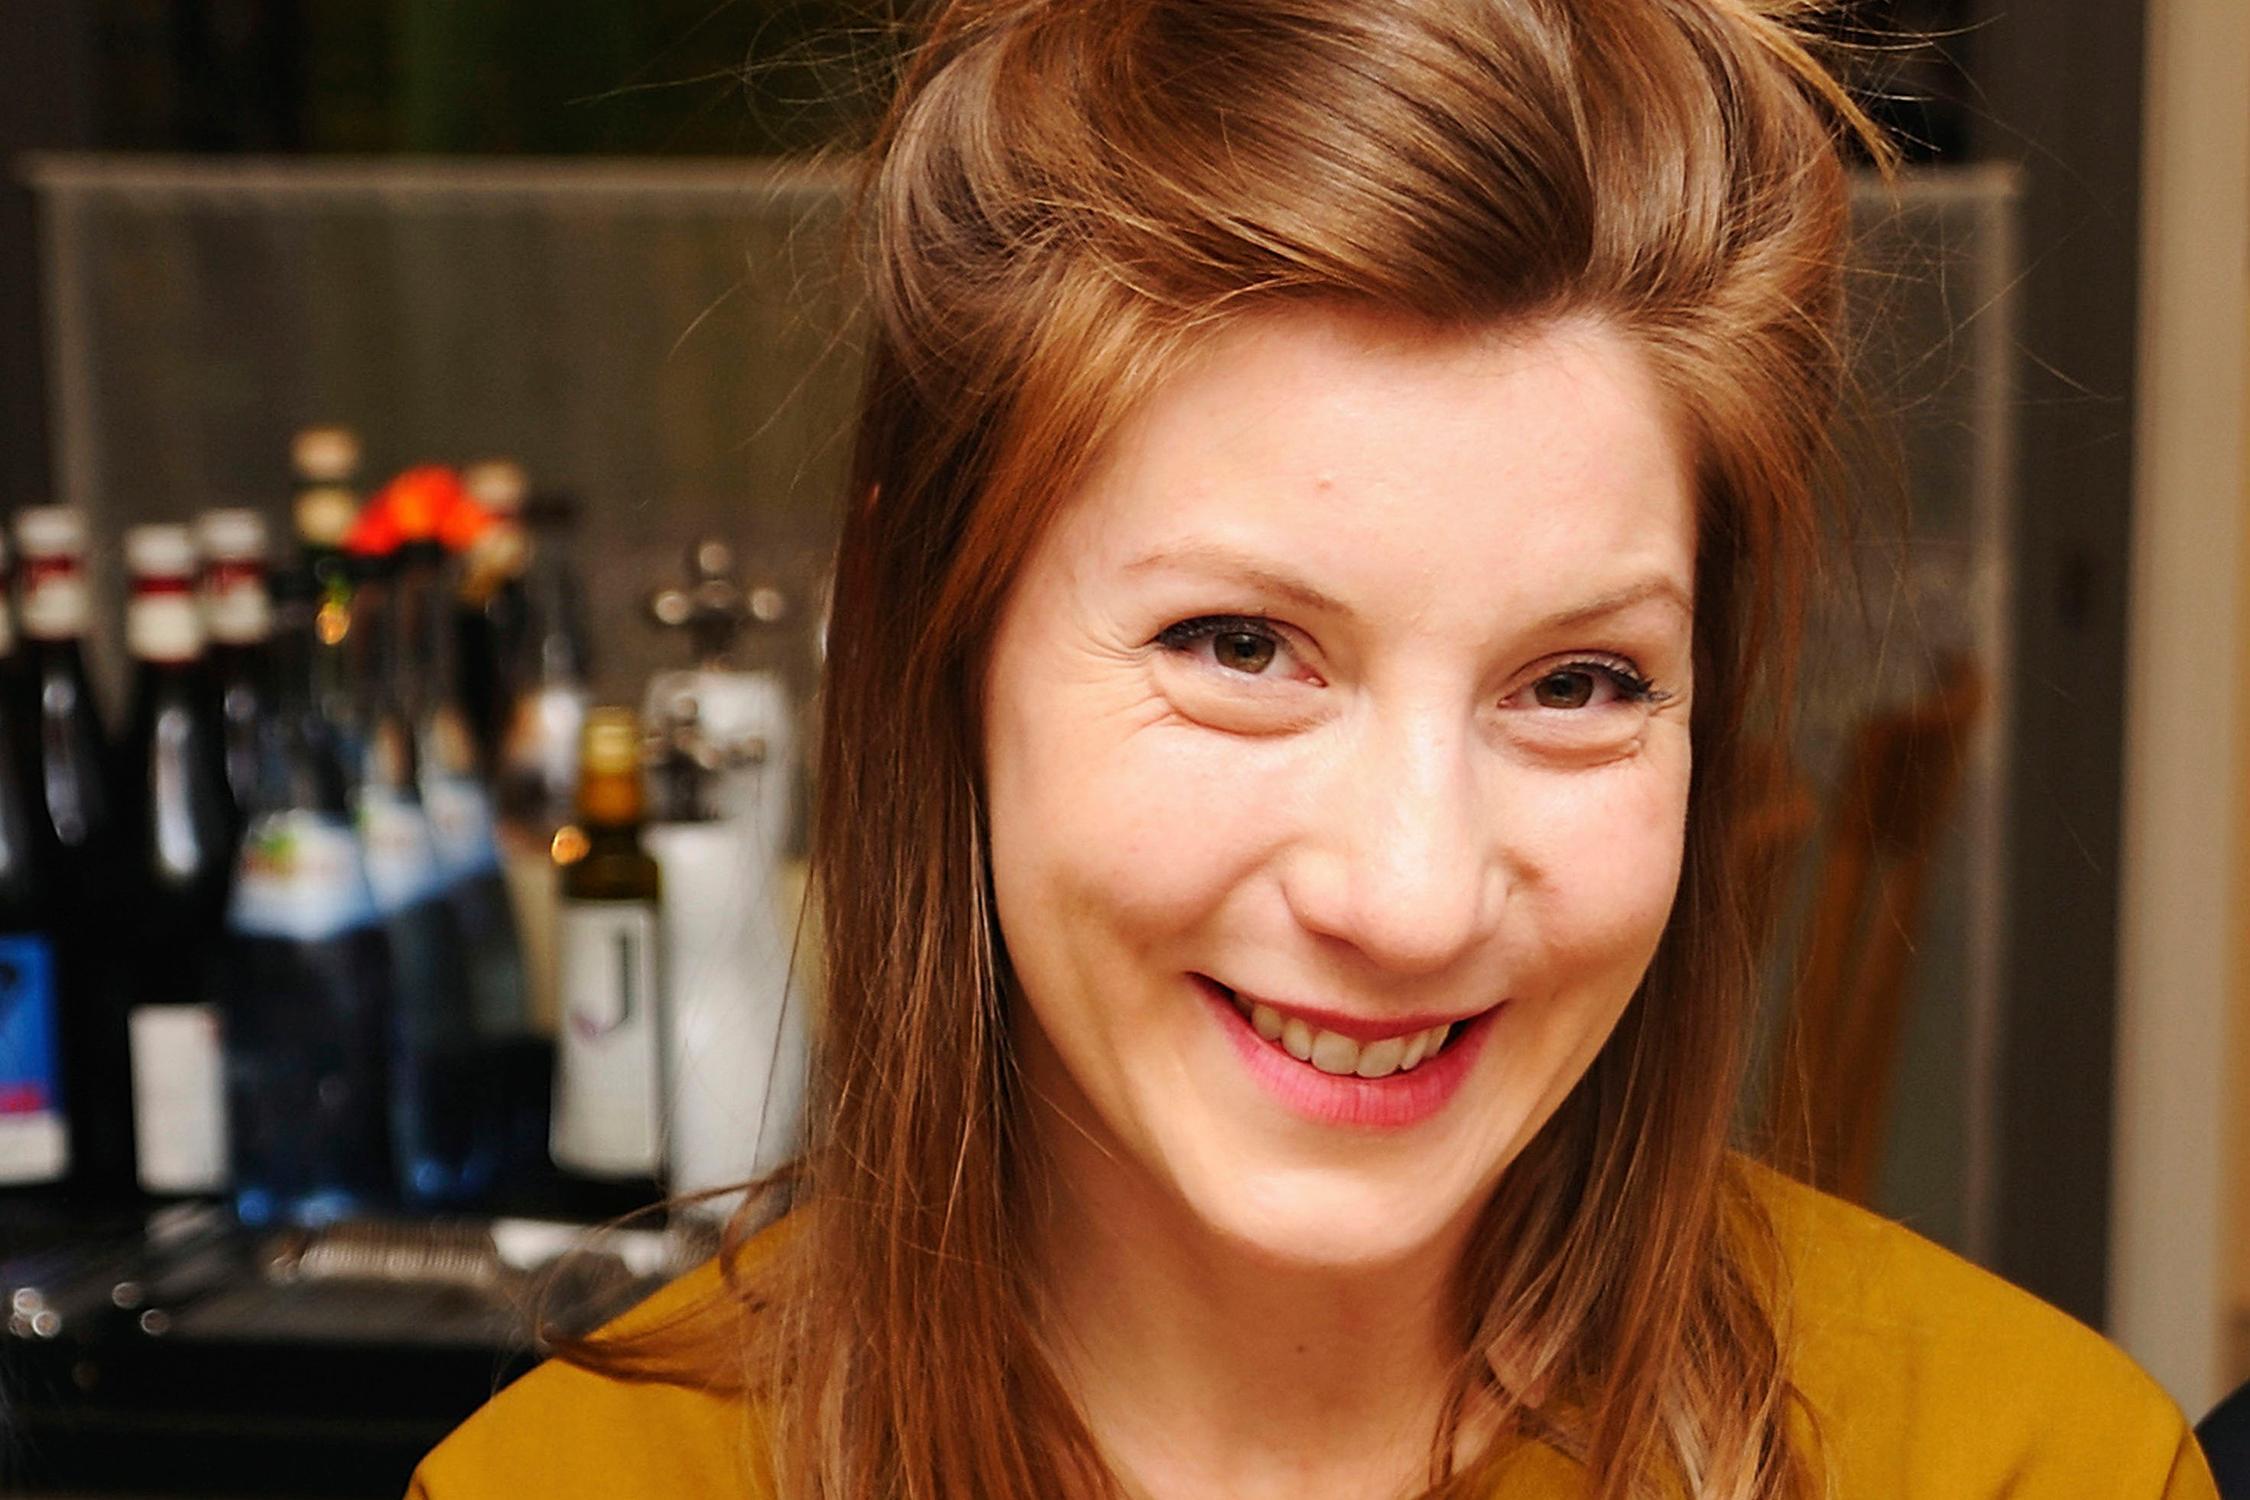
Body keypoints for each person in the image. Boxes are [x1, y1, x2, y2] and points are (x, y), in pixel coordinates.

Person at [410, 2, 2219, 1496]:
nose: (1410, 898)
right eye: (1238, 647)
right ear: (919, 634)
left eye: (1578, 683)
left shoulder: (2027, 1465)